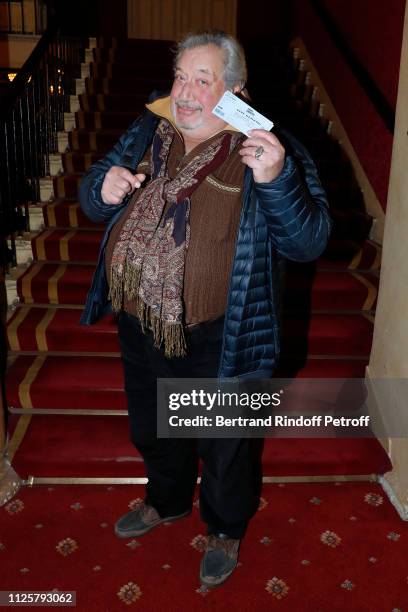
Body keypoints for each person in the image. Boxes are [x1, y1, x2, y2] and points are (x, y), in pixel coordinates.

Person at [79, 30, 331, 587]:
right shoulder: (150, 127)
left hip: (224, 331)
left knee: (225, 446)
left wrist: (277, 180)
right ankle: (166, 501)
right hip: (140, 319)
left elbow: (309, 241)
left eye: (203, 79)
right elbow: (95, 189)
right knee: (152, 426)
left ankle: (224, 527)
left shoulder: (266, 147)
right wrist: (103, 188)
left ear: (233, 90)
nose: (186, 91)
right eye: (181, 76)